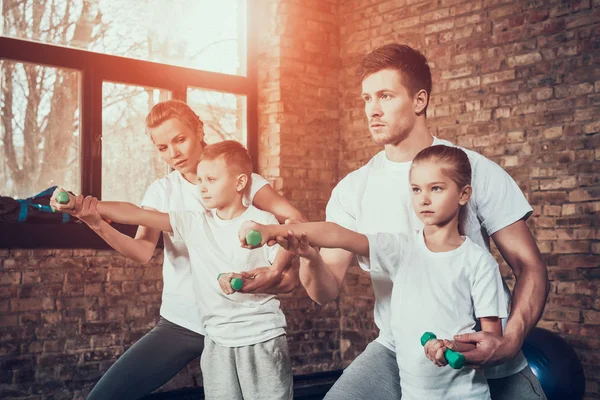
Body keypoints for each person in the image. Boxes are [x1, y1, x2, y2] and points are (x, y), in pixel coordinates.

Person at [284, 44, 549, 400]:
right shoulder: (353, 189)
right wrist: (309, 258)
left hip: (478, 349)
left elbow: (529, 266)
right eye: (366, 99)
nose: (372, 110)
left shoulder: (472, 168)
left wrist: (506, 341)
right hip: (398, 349)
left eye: (385, 96)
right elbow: (324, 290)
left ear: (419, 100)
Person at [60, 100, 302, 400]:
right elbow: (140, 249)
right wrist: (94, 221)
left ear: (198, 130)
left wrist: (277, 271)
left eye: (179, 140)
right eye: (162, 148)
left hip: (243, 324)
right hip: (183, 323)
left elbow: (294, 223)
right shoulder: (164, 191)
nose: (173, 154)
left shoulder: (240, 179)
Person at [241, 145, 509, 399]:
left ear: (463, 194)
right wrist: (272, 231)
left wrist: (451, 348)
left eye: (436, 188)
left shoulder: (478, 262)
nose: (424, 199)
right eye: (416, 190)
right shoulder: (402, 248)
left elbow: (489, 344)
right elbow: (338, 234)